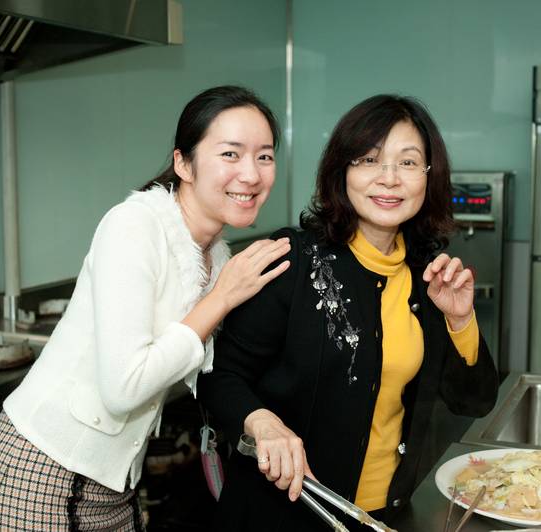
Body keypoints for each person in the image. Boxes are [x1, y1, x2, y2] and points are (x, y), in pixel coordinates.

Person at [0, 85, 291, 531]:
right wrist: (221, 298)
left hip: (115, 485)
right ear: (184, 163)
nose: (251, 174)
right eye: (230, 154)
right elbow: (124, 387)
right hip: (38, 474)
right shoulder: (134, 225)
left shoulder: (216, 257)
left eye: (265, 156)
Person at [198, 94, 499, 531]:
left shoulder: (428, 275)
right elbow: (219, 376)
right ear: (342, 171)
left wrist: (460, 321)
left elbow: (473, 401)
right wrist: (261, 422)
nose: (389, 179)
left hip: (382, 516)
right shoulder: (292, 261)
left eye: (408, 162)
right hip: (282, 515)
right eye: (369, 160)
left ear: (429, 177)